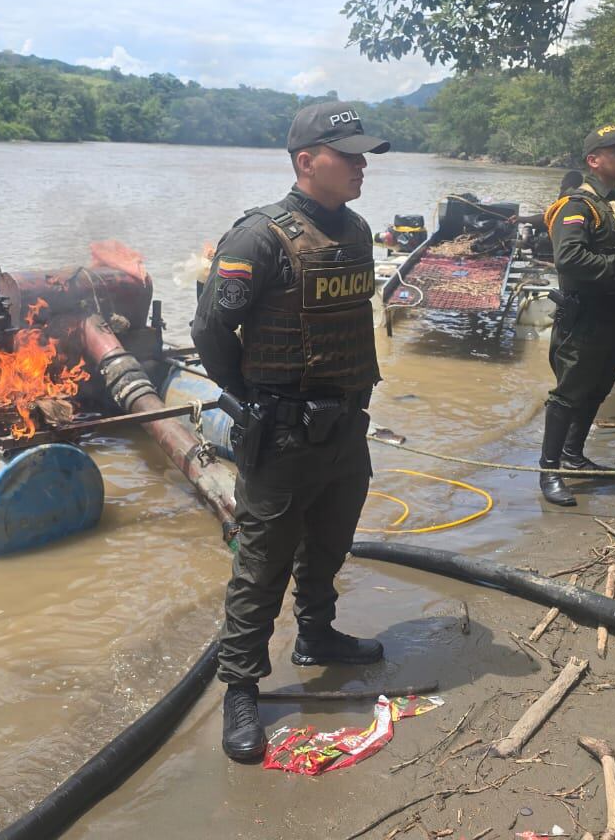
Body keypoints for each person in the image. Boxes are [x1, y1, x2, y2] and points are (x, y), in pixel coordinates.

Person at [191, 101, 388, 763]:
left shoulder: (357, 231)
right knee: (260, 569)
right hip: (280, 436)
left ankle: (318, 635)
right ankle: (241, 688)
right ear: (307, 162)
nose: (362, 164)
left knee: (330, 543)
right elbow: (209, 332)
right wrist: (250, 399)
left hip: (345, 428)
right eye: (349, 154)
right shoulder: (259, 238)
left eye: (364, 154)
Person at [538, 127, 615, 507]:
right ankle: (549, 471)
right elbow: (568, 259)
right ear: (594, 161)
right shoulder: (577, 206)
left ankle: (573, 455)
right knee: (569, 393)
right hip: (584, 317)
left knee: (598, 388)